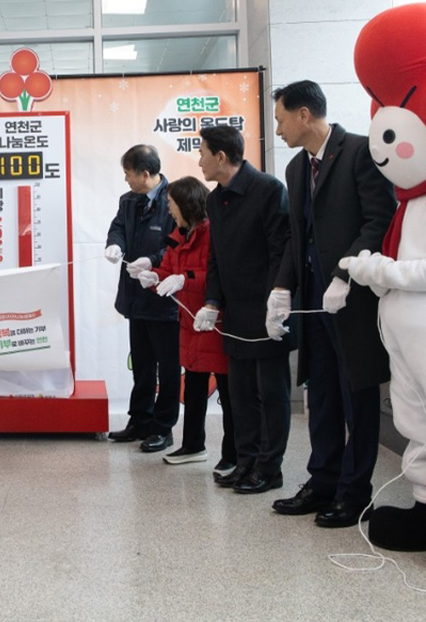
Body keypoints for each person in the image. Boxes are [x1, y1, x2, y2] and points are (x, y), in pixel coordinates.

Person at [266, 80, 396, 528]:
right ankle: (322, 480)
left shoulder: (362, 151)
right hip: (314, 300)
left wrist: (345, 274)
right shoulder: (297, 169)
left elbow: (379, 219)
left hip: (353, 299)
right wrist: (283, 287)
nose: (278, 129)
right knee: (319, 392)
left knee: (355, 395)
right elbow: (296, 236)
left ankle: (354, 492)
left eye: (281, 118)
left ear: (305, 115)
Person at [194, 124, 294, 494]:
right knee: (240, 394)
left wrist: (277, 300)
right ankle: (247, 461)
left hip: (267, 310)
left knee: (271, 392)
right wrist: (211, 301)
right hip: (234, 312)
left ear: (221, 156)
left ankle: (270, 469)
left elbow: (280, 251)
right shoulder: (213, 199)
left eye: (202, 152)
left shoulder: (268, 190)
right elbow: (216, 256)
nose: (199, 160)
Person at [136, 176, 231, 466]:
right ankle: (192, 445)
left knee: (227, 392)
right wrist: (153, 276)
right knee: (193, 386)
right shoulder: (179, 234)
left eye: (172, 203)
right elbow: (168, 271)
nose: (169, 208)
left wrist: (184, 280)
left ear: (186, 204)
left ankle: (234, 455)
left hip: (211, 320)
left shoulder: (211, 232)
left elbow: (214, 275)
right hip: (188, 322)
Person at [104, 144, 180, 453]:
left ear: (145, 174)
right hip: (136, 297)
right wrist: (115, 245)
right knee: (143, 364)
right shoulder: (128, 201)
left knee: (168, 366)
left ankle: (164, 428)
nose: (126, 180)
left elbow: (180, 244)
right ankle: (140, 421)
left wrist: (152, 260)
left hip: (163, 298)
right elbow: (118, 227)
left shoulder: (175, 199)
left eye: (129, 174)